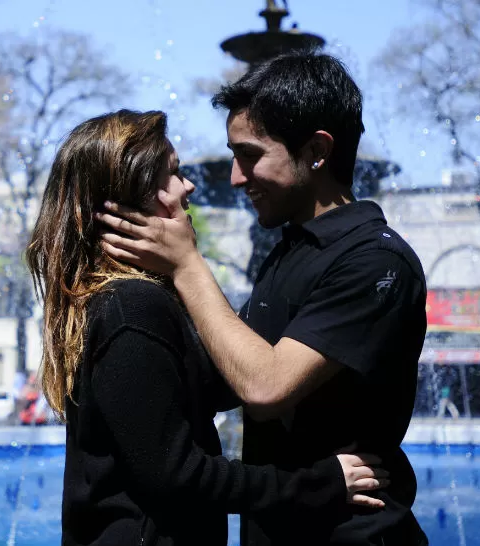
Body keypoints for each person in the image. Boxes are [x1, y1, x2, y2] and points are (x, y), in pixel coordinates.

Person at [96, 54, 428, 545]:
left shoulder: (375, 262)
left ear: (317, 151)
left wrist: (188, 266)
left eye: (249, 155)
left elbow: (265, 386)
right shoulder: (288, 253)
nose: (235, 176)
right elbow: (218, 378)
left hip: (354, 531)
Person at [26, 109, 389, 546]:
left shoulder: (125, 299)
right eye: (172, 175)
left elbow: (218, 384)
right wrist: (320, 484)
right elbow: (176, 473)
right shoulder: (132, 307)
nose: (188, 187)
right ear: (129, 200)